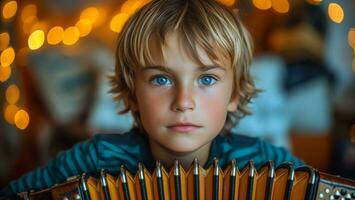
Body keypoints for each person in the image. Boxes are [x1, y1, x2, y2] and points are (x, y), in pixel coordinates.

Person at [0, 0, 303, 197]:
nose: (183, 101)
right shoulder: (97, 159)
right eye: (161, 79)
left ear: (234, 95)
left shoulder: (261, 161)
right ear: (132, 94)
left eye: (206, 79)